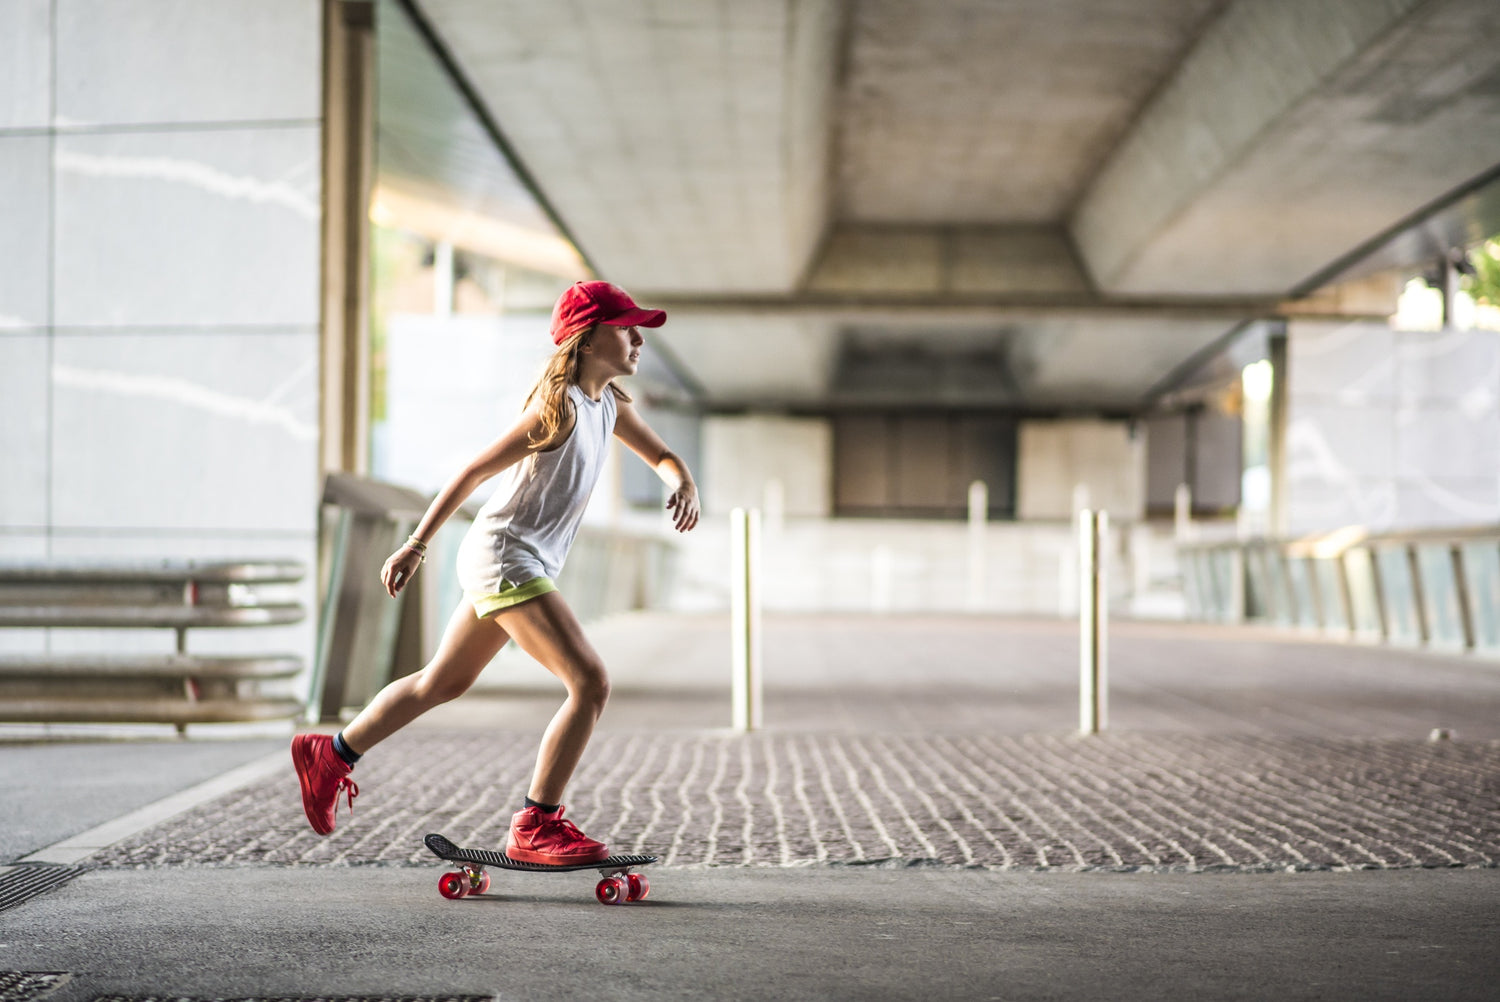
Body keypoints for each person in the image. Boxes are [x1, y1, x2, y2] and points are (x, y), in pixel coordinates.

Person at [291, 280, 699, 865]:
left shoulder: (607, 404)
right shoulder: (556, 410)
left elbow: (662, 456)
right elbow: (473, 472)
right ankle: (537, 824)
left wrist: (682, 482)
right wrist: (415, 545)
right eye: (625, 328)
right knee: (590, 683)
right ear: (586, 341)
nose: (638, 339)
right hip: (506, 556)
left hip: (512, 559)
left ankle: (330, 754)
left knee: (441, 683)